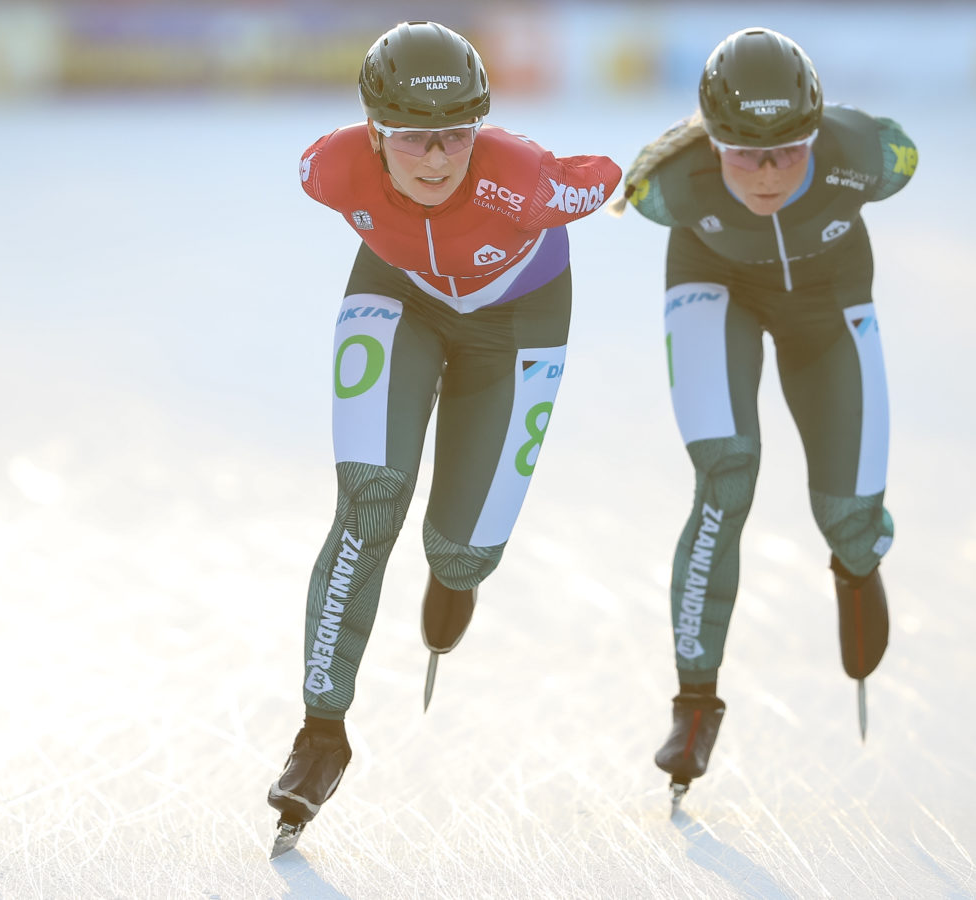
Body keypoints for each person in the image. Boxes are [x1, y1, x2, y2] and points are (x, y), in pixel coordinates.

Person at [267, 20, 621, 854]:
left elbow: (606, 178)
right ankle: (322, 729)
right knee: (370, 498)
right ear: (374, 131)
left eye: (457, 137)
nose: (436, 160)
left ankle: (455, 577)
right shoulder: (330, 167)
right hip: (401, 298)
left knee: (463, 552)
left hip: (519, 322)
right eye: (414, 139)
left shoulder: (528, 180)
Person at [613, 26, 917, 804]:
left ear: (818, 134)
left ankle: (856, 560)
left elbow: (901, 144)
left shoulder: (871, 157)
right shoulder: (667, 186)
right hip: (719, 294)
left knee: (849, 515)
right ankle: (693, 703)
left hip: (831, 307)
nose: (770, 171)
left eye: (789, 147)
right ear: (708, 140)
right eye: (743, 150)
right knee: (726, 475)